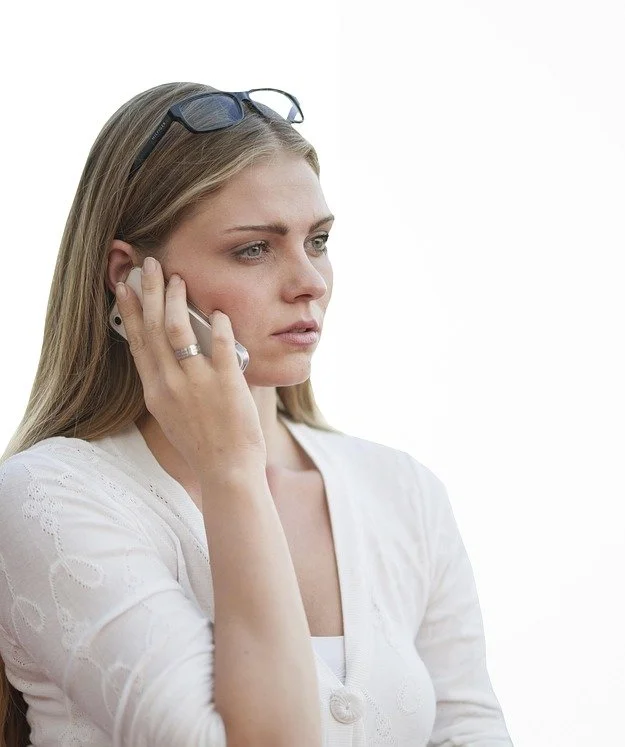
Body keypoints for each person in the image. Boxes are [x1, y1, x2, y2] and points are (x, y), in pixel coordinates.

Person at [0, 83, 512, 746]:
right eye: (255, 249)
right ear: (129, 277)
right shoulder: (51, 496)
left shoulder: (403, 493)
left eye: (319, 240)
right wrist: (232, 468)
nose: (311, 281)